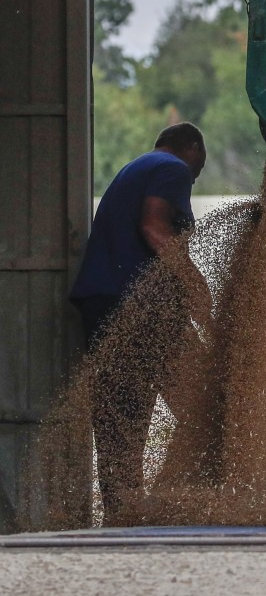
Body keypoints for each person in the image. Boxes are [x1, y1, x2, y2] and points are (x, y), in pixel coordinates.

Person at [70, 122, 211, 521]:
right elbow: (153, 226)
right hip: (139, 305)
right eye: (200, 168)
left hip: (103, 302)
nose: (195, 178)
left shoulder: (134, 168)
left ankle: (122, 509)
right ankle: (191, 495)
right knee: (203, 398)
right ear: (194, 149)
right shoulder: (173, 168)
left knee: (118, 411)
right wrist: (195, 285)